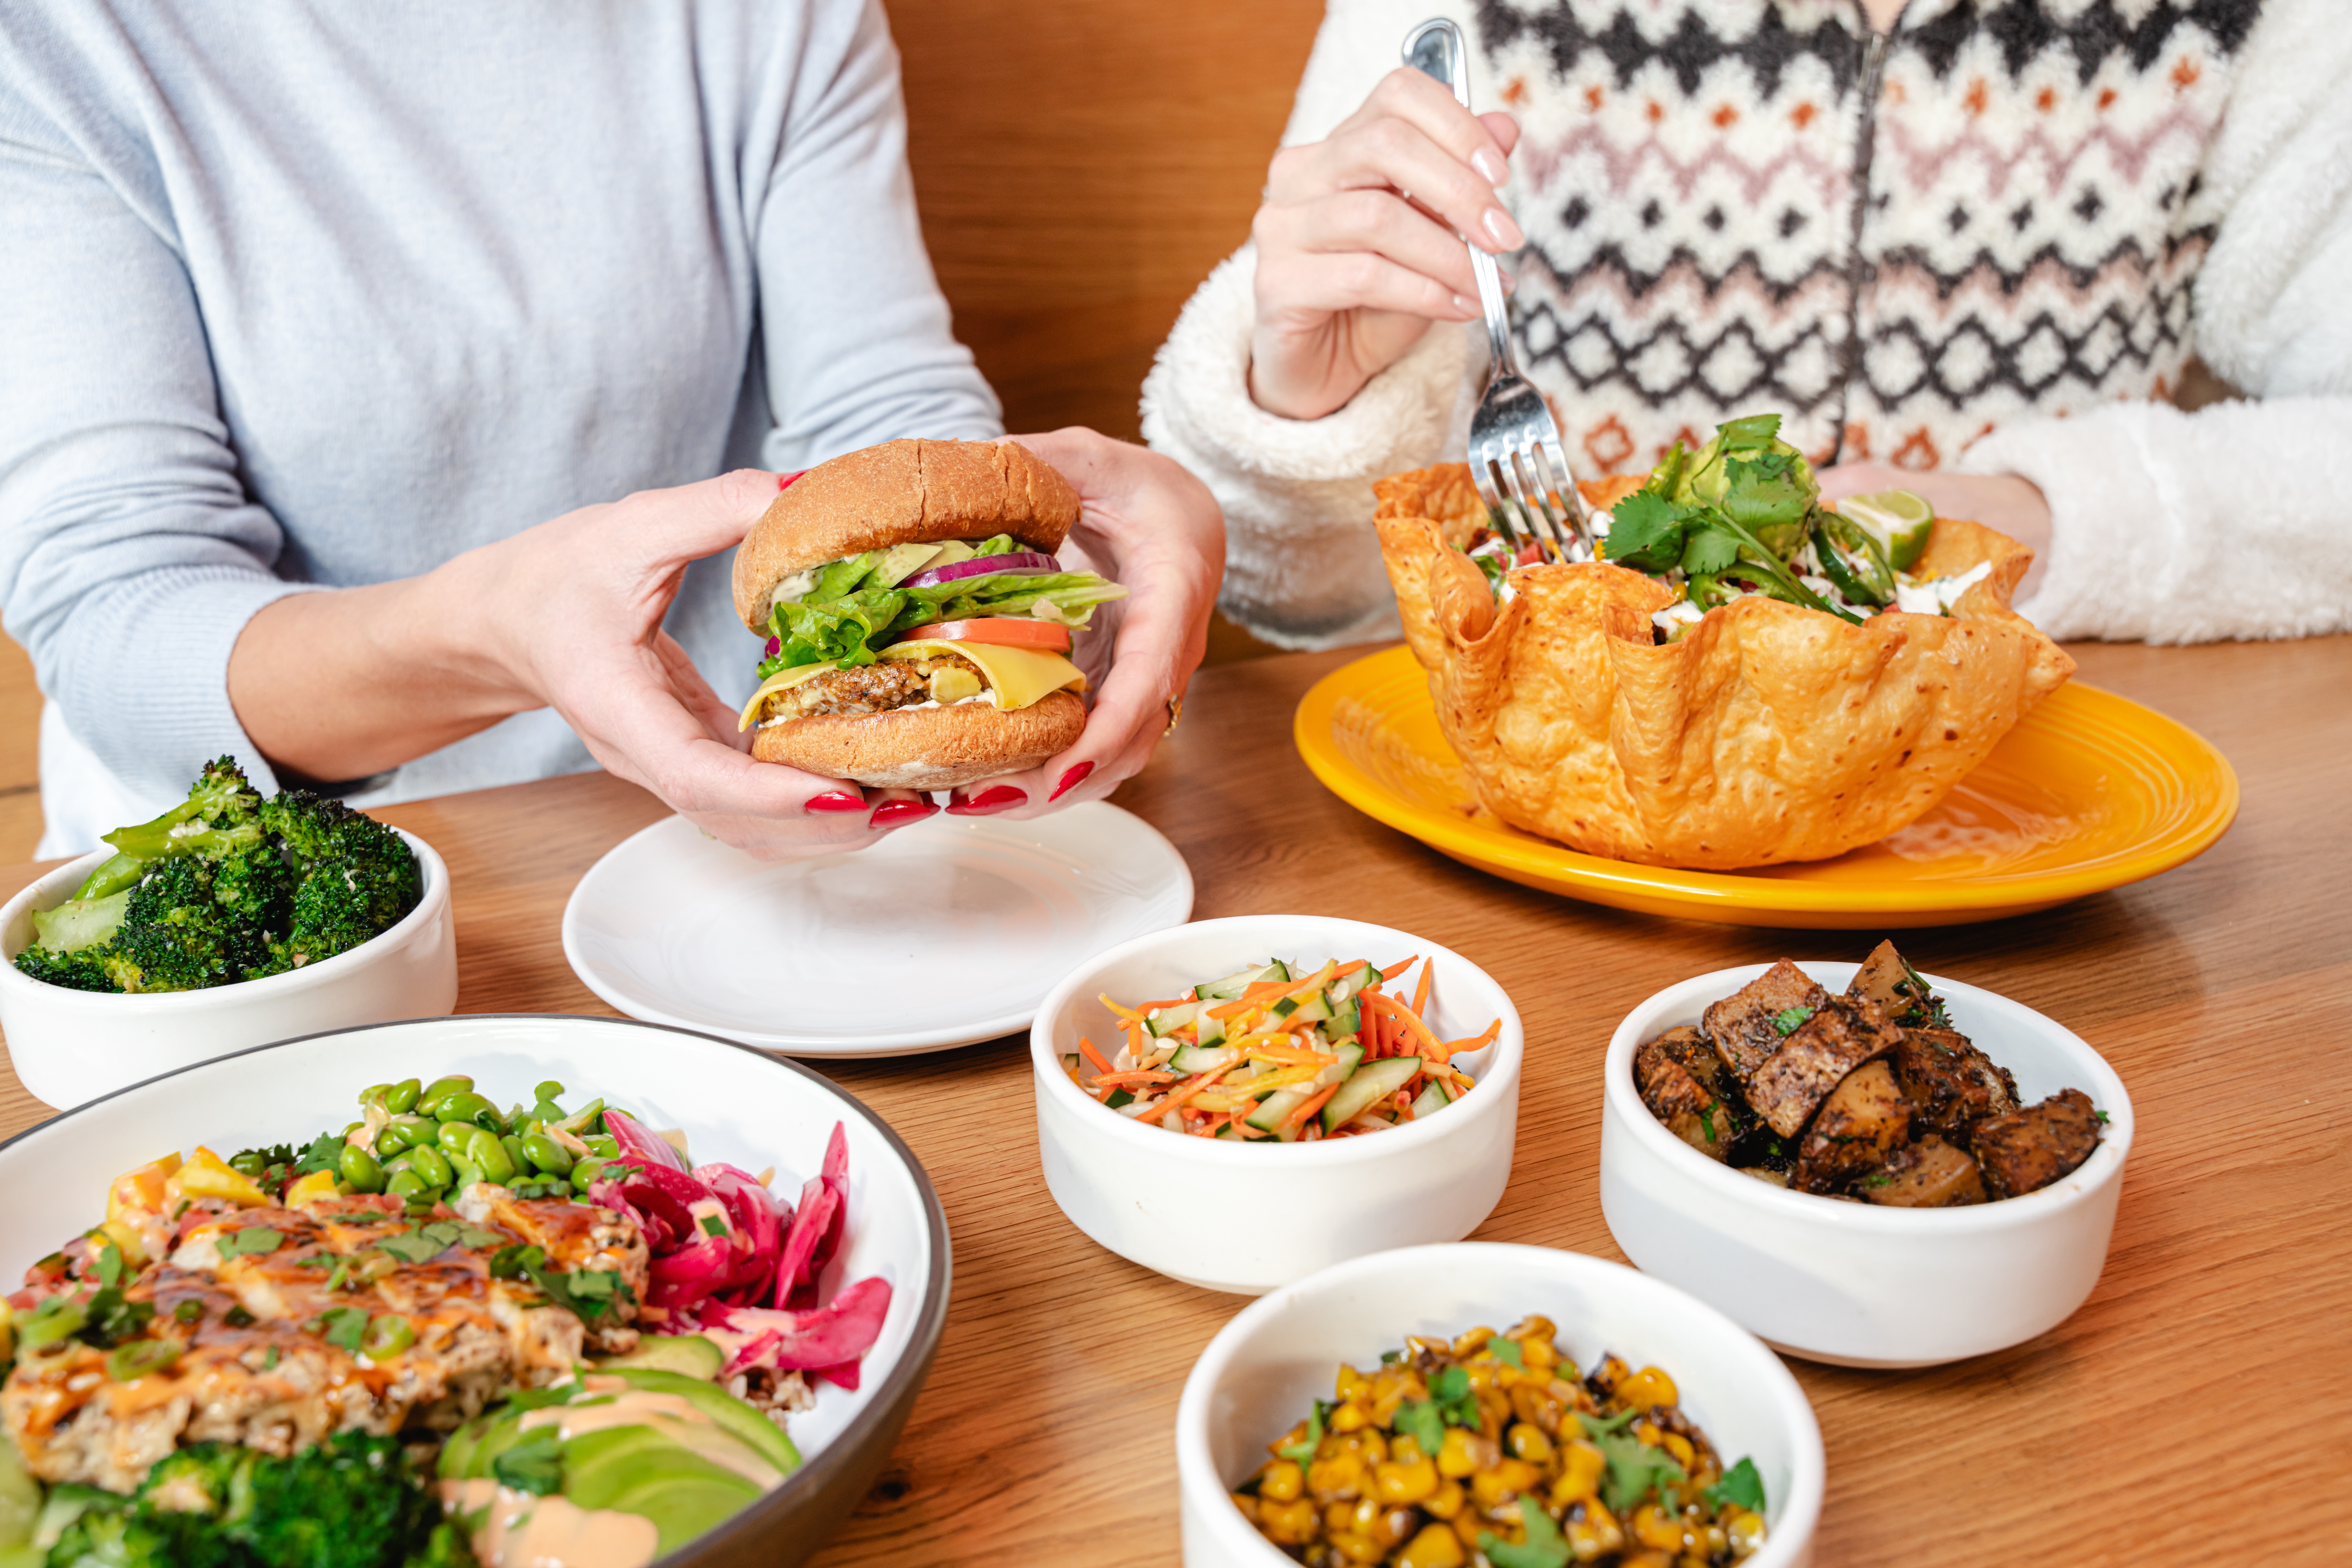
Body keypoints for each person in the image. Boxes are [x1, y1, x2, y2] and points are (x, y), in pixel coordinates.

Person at [0, 1, 1222, 859]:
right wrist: (494, 637)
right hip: (302, 877)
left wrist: (1046, 554)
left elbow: (878, 419)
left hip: (755, 838)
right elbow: (115, 611)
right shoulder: (62, 35)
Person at [1143, 0, 2350, 652]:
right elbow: (1298, 603)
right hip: (1553, 834)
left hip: (2034, 830)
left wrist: (2052, 517)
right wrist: (1302, 421)